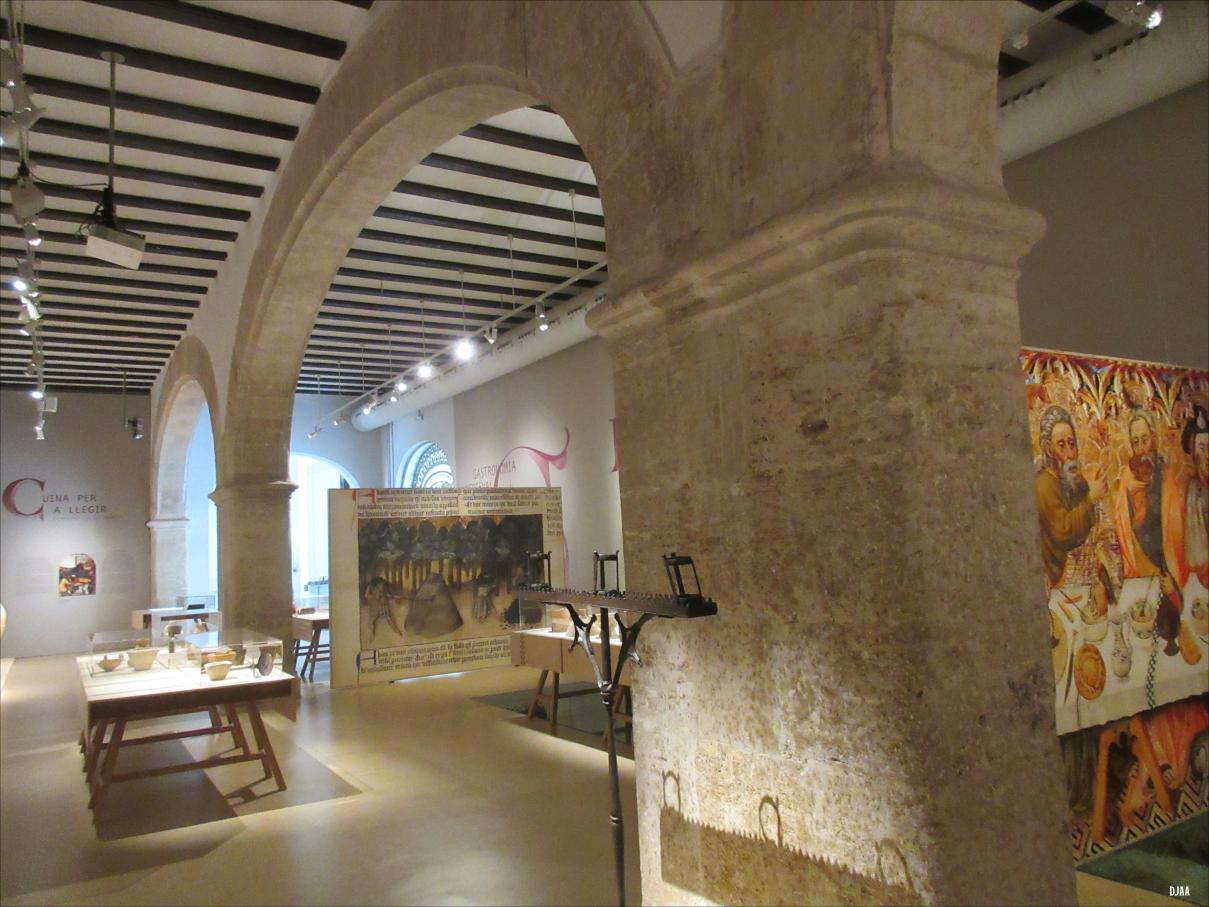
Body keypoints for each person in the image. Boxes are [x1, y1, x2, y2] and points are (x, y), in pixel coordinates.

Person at [1035, 405, 1106, 587]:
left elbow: (1090, 523)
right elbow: (1063, 532)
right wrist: (1091, 498)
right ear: (1049, 449)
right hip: (1059, 579)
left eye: (1072, 444)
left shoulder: (1070, 479)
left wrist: (1087, 490)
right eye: (1061, 445)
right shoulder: (1044, 484)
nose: (1070, 454)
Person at [1162, 404, 1209, 593]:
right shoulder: (1194, 492)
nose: (1208, 456)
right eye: (1202, 448)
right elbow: (1197, 556)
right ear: (1195, 455)